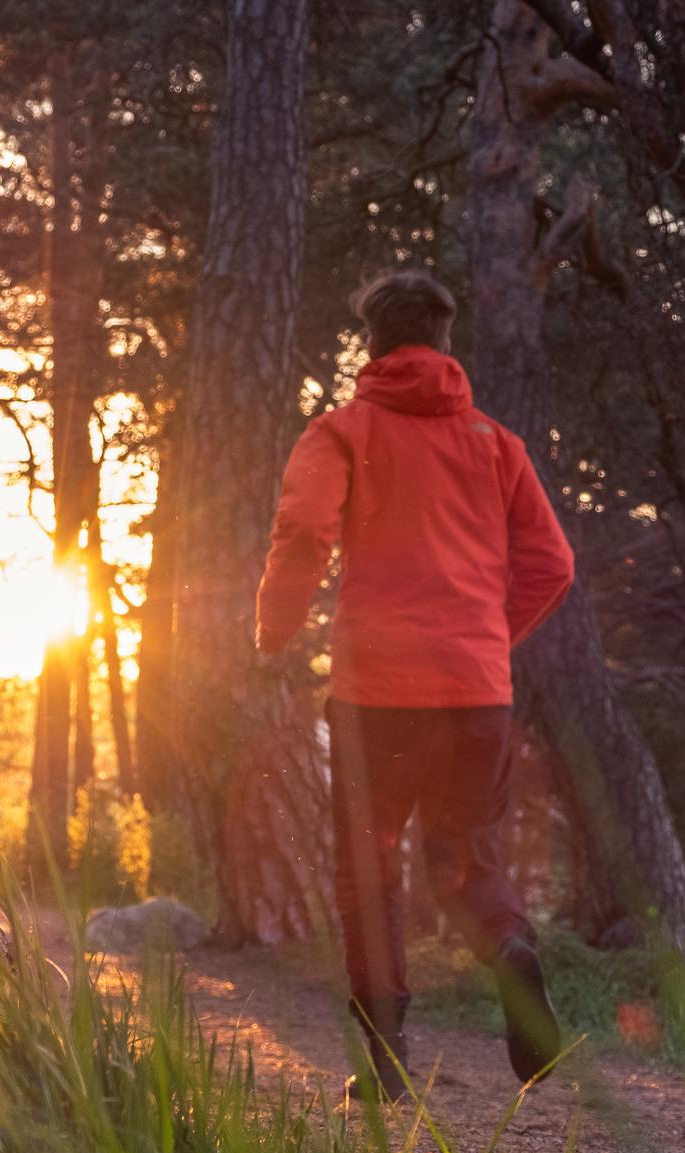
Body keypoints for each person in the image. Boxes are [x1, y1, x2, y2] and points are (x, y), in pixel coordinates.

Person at [255, 269, 576, 1100]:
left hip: (378, 696)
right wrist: (485, 641)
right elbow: (554, 564)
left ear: (372, 344)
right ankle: (509, 949)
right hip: (478, 695)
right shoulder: (497, 443)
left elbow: (302, 531)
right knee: (464, 859)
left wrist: (274, 627)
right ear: (443, 342)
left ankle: (388, 1063)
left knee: (367, 867)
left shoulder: (340, 433)